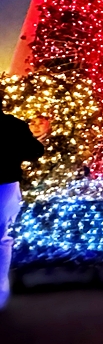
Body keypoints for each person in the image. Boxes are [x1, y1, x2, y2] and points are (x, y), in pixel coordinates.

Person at [1, 106, 45, 309]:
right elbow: (34, 151)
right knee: (2, 239)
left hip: (6, 185)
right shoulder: (13, 125)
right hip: (5, 185)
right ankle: (0, 294)